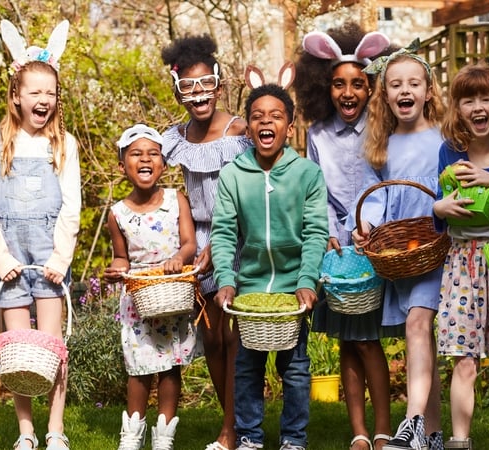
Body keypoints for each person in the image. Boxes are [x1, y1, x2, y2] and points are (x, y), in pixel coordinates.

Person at [0, 20, 79, 450]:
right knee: (18, 348)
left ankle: (55, 428)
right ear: (16, 96)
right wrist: (1, 260)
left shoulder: (64, 144)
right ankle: (26, 432)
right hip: (12, 260)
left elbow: (72, 207)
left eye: (50, 93)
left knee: (51, 345)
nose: (44, 100)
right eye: (35, 92)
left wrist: (60, 259)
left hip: (49, 259)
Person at [211, 82, 329, 450]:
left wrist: (307, 282)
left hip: (294, 289)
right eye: (257, 116)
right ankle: (249, 436)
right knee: (246, 367)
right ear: (248, 127)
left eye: (276, 116)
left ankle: (293, 438)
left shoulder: (307, 174)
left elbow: (315, 233)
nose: (266, 122)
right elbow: (224, 233)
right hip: (250, 290)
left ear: (289, 127)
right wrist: (225, 280)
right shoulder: (233, 175)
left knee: (294, 368)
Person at [295, 23, 396, 450]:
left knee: (369, 341)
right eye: (339, 84)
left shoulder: (382, 129)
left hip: (375, 246)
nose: (349, 93)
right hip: (337, 249)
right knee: (347, 344)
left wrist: (369, 227)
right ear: (325, 87)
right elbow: (317, 192)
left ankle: (384, 427)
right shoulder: (317, 135)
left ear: (371, 86)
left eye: (358, 84)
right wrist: (333, 234)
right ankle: (358, 430)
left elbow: (388, 184)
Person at [350, 39, 446, 450]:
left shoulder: (445, 138)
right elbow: (376, 193)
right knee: (423, 340)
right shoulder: (384, 144)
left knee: (417, 326)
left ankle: (410, 427)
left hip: (440, 245)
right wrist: (366, 224)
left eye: (413, 84)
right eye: (395, 85)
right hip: (402, 253)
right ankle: (435, 435)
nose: (405, 91)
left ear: (428, 91)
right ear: (384, 95)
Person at [160, 35, 250, 450]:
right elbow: (142, 166)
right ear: (178, 91)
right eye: (188, 88)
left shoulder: (240, 132)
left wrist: (220, 247)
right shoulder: (176, 138)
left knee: (232, 335)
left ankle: (232, 429)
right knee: (211, 338)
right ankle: (231, 420)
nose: (198, 95)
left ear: (219, 82)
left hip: (237, 236)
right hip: (197, 242)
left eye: (205, 84)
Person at [431, 63, 489, 450]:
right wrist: (440, 209)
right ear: (458, 108)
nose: (478, 107)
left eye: (486, 97)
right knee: (463, 358)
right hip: (461, 263)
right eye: (468, 100)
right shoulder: (450, 152)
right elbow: (438, 205)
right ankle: (459, 441)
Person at [103, 124, 200, 450]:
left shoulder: (177, 200)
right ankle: (131, 437)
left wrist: (178, 257)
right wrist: (116, 271)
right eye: (136, 155)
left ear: (163, 163)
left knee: (170, 367)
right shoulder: (117, 214)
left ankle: (164, 438)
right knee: (139, 368)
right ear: (122, 166)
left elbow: (189, 244)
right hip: (139, 300)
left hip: (171, 292)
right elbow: (121, 257)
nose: (145, 159)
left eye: (153, 154)